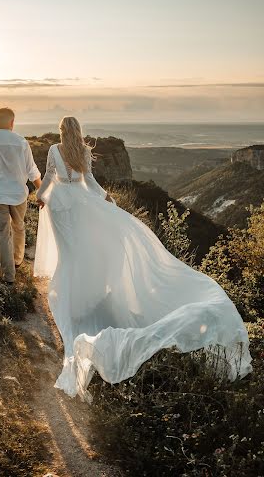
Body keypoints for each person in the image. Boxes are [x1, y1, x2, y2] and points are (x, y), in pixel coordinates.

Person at [33, 116, 252, 403]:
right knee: (84, 252)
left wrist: (39, 195)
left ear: (62, 131)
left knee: (71, 253)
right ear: (78, 131)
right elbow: (90, 183)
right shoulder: (83, 151)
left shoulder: (54, 150)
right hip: (82, 205)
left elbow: (50, 177)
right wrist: (106, 198)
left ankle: (75, 300)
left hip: (61, 206)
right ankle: (87, 297)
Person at [0, 107, 41, 285]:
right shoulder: (21, 142)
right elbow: (32, 171)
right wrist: (41, 191)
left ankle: (9, 276)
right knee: (18, 227)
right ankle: (18, 260)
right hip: (18, 194)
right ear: (12, 123)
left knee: (2, 234)